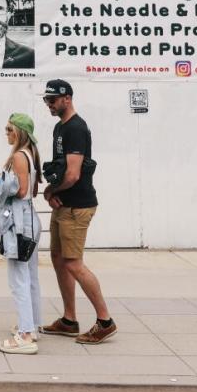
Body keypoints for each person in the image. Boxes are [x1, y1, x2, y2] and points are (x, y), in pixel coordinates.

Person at [38, 79, 116, 344]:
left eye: (53, 99)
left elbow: (72, 175)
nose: (49, 104)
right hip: (64, 204)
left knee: (73, 262)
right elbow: (62, 170)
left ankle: (105, 320)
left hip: (77, 206)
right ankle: (69, 320)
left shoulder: (76, 129)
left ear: (67, 98)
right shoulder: (60, 128)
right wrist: (55, 191)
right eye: (46, 100)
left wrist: (50, 191)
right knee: (59, 258)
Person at [0, 113, 43, 355]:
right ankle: (32, 325)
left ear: (18, 131)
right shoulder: (31, 153)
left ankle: (25, 335)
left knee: (18, 279)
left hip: (19, 223)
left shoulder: (18, 156)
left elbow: (21, 190)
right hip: (30, 219)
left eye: (9, 129)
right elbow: (32, 191)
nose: (6, 133)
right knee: (31, 277)